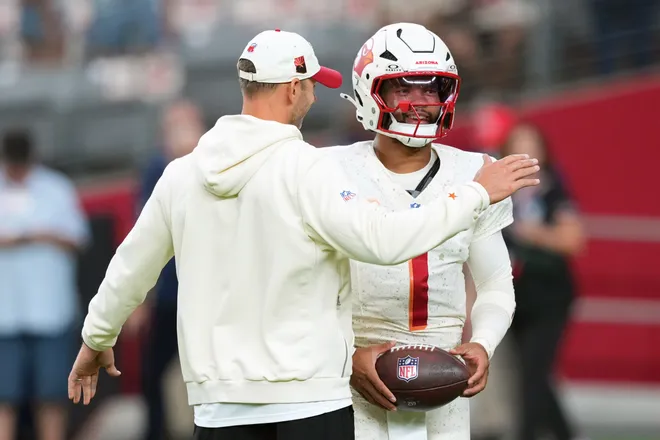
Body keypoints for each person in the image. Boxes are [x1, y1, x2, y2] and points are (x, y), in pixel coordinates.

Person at [67, 29, 538, 440]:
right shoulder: (314, 169)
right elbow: (385, 241)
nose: (314, 95)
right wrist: (476, 194)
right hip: (314, 393)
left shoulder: (180, 174)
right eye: (311, 85)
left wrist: (95, 338)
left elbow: (130, 268)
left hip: (219, 400)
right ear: (294, 89)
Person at [333, 23, 520, 440]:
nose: (420, 103)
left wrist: (483, 343)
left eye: (431, 89)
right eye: (404, 88)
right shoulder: (329, 171)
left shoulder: (473, 171)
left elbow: (494, 282)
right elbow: (305, 286)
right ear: (369, 91)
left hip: (443, 369)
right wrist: (345, 354)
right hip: (348, 376)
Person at [123, 99, 206, 440]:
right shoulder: (157, 167)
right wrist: (138, 299)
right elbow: (144, 234)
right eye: (174, 125)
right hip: (171, 293)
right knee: (153, 373)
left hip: (212, 292)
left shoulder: (220, 160)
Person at [0, 129, 89, 440]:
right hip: (5, 314)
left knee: (51, 396)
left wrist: (35, 236)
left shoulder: (56, 187)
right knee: (3, 398)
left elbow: (78, 237)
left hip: (50, 311)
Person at [500, 123, 586, 440]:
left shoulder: (553, 189)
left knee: (533, 375)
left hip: (549, 296)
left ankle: (527, 434)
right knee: (532, 374)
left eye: (531, 145)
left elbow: (574, 240)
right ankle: (566, 434)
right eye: (517, 144)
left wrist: (533, 233)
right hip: (512, 297)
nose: (525, 152)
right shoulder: (498, 191)